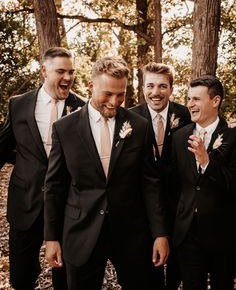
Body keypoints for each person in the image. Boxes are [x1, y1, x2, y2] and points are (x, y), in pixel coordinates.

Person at [44, 56, 170, 290]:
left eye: (120, 95)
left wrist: (160, 234)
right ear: (91, 86)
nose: (114, 102)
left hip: (131, 233)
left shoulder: (140, 126)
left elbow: (150, 183)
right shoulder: (65, 128)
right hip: (81, 230)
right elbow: (55, 186)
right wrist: (51, 238)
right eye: (108, 94)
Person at [0, 47, 85, 290]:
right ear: (44, 71)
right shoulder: (18, 104)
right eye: (61, 71)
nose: (67, 77)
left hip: (66, 205)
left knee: (66, 278)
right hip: (25, 202)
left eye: (71, 72)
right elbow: (5, 145)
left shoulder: (82, 108)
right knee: (20, 277)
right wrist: (27, 163)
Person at [172, 75, 236, 290]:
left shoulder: (233, 137)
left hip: (223, 234)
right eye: (189, 99)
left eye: (197, 99)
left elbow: (232, 184)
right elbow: (173, 185)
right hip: (187, 233)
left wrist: (207, 162)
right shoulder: (179, 137)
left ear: (215, 101)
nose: (190, 104)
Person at [131, 62, 191, 289]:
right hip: (144, 205)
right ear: (143, 87)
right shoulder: (130, 117)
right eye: (150, 86)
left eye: (162, 86)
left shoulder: (185, 115)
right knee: (150, 265)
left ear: (172, 88)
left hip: (179, 202)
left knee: (177, 262)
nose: (155, 93)